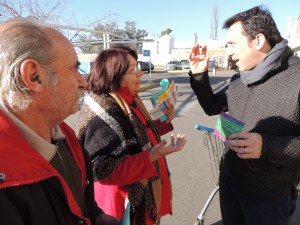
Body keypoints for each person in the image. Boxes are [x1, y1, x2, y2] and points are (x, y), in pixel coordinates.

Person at [188, 6, 300, 225]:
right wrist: (200, 75)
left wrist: (266, 145)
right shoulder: (240, 78)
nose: (229, 53)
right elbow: (213, 107)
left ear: (258, 41)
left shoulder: (296, 77)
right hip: (230, 181)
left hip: (270, 195)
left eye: (233, 45)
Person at [0, 19, 118, 225]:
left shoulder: (63, 135)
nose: (83, 81)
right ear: (34, 76)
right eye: (74, 69)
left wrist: (96, 215)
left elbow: (79, 201)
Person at [77, 46, 187, 225]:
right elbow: (100, 169)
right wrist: (151, 156)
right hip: (123, 206)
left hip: (141, 196)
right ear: (115, 74)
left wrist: (164, 122)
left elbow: (138, 132)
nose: (140, 73)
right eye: (133, 69)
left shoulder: (128, 99)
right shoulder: (105, 110)